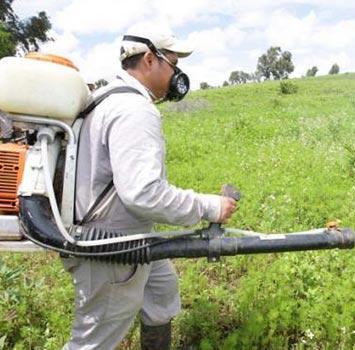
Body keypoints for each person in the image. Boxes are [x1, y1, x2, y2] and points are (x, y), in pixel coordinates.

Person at [62, 30, 237, 350]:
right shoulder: (133, 109)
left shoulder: (108, 97)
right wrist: (210, 207)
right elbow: (143, 193)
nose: (177, 73)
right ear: (149, 59)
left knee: (161, 290)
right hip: (111, 245)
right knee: (93, 341)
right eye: (173, 63)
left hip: (129, 234)